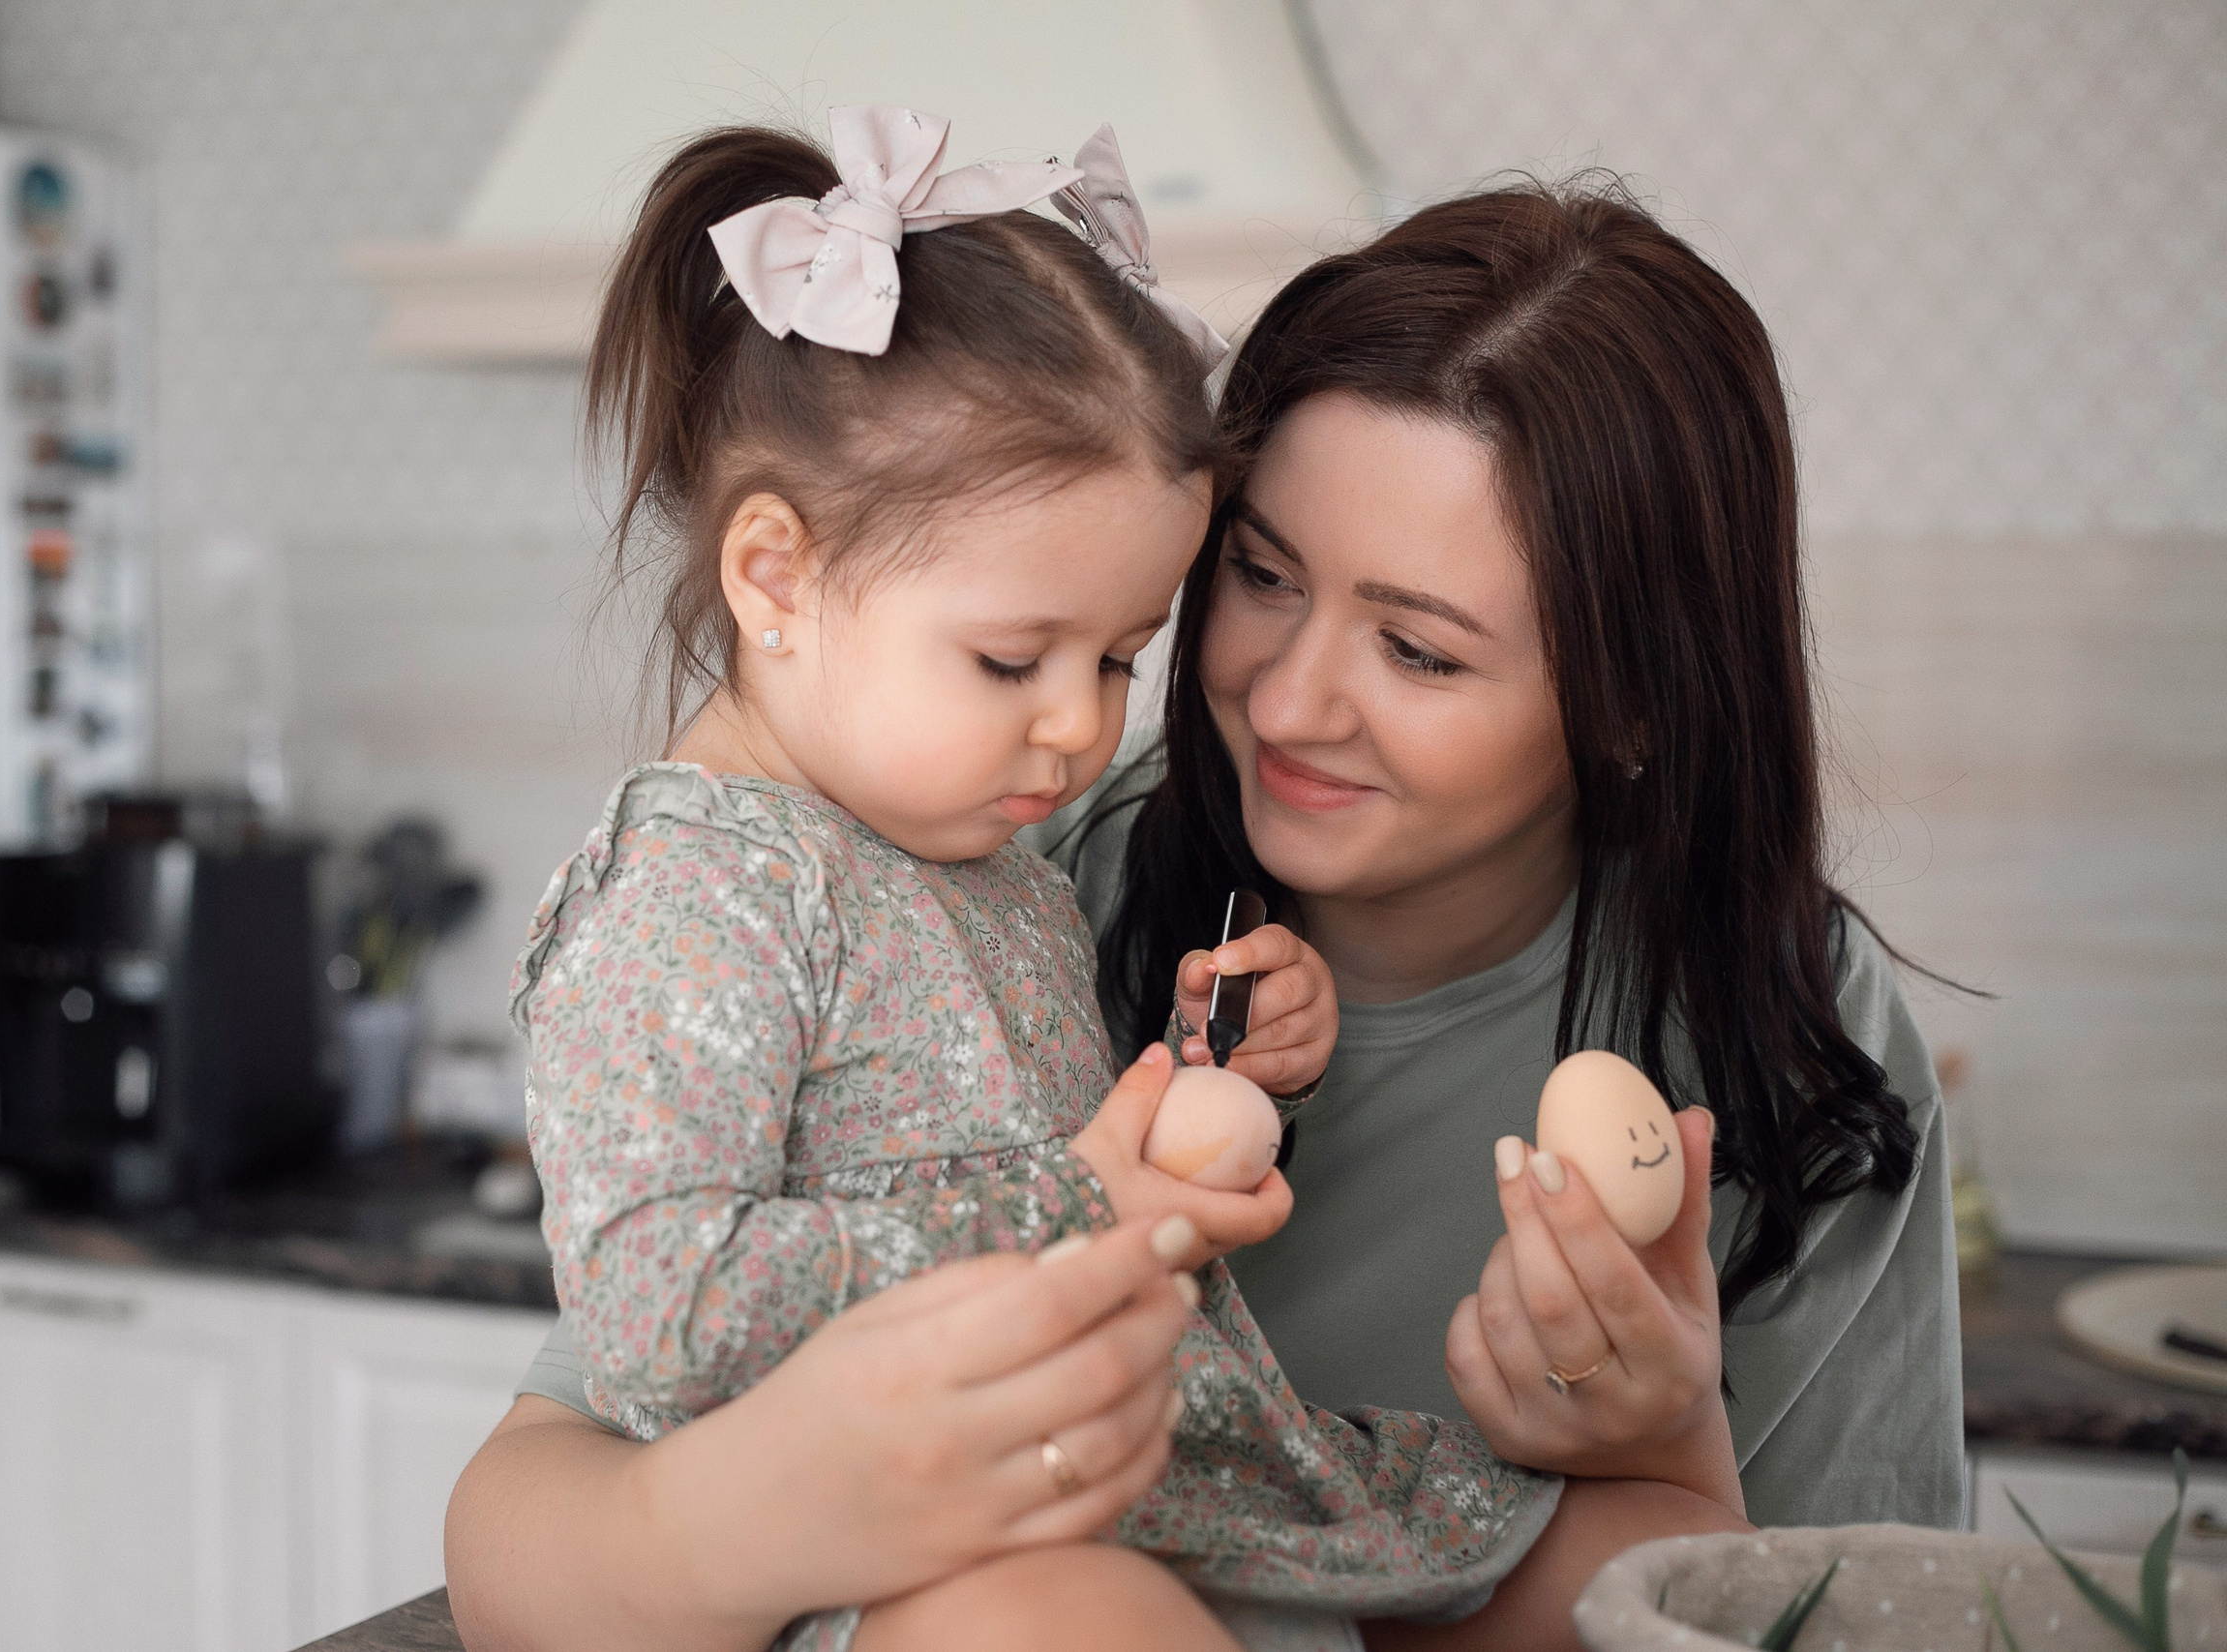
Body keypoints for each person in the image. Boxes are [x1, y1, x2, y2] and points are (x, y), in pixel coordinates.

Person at [451, 174, 1951, 1652]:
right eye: (1258, 574)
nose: (1288, 703)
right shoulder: (985, 850)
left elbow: (1811, 1607)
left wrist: (1669, 1444)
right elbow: (553, 1489)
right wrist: (810, 1492)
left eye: (1418, 652)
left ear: (1635, 697)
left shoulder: (1785, 1027)